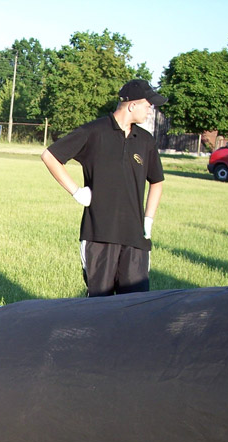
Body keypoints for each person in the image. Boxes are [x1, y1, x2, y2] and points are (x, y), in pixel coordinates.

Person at [41, 79, 166, 297]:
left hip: (136, 239)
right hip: (99, 235)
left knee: (135, 307)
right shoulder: (94, 132)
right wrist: (77, 192)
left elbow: (157, 181)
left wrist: (148, 219)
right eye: (148, 105)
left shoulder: (145, 141)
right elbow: (50, 156)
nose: (150, 110)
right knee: (98, 307)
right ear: (132, 105)